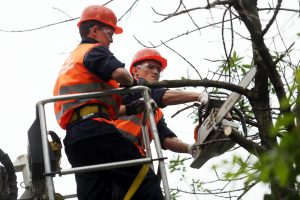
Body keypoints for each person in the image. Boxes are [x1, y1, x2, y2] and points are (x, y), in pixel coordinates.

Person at [53, 5, 164, 200]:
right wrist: (134, 83)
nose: (111, 39)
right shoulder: (94, 50)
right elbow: (120, 74)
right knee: (144, 179)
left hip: (75, 139)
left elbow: (88, 103)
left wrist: (129, 108)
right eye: (109, 33)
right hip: (96, 131)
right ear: (94, 30)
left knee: (96, 194)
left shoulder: (72, 60)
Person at [115, 48, 209, 158]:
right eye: (150, 67)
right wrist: (199, 96)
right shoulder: (124, 90)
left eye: (158, 70)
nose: (155, 72)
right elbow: (158, 95)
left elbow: (165, 138)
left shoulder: (155, 111)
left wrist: (189, 148)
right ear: (135, 71)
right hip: (107, 144)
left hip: (130, 155)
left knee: (149, 175)